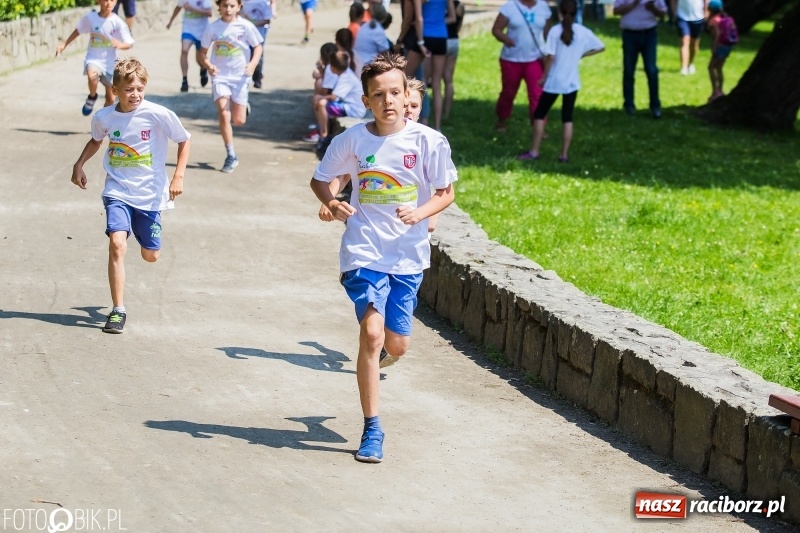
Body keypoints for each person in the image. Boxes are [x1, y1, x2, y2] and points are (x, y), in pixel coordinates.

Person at [311, 52, 457, 463]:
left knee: (398, 344)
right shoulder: (352, 140)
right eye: (379, 95)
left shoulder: (428, 142)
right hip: (363, 251)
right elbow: (321, 180)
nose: (388, 101)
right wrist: (332, 202)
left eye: (395, 92)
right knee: (372, 335)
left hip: (408, 256)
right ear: (366, 101)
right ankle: (372, 428)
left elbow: (446, 193)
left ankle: (383, 357)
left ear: (407, 94)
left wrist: (421, 213)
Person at [69, 58, 191, 334]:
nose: (135, 94)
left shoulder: (158, 114)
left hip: (149, 195)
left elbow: (184, 140)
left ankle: (138, 229)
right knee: (117, 245)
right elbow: (96, 140)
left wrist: (179, 176)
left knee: (151, 256)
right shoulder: (104, 117)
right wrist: (79, 164)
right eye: (128, 89)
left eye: (140, 88)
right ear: (115, 90)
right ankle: (118, 310)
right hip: (118, 190)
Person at [517, 0, 604, 162]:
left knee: (539, 114)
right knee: (567, 117)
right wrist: (581, 54)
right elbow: (600, 47)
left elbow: (550, 57)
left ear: (559, 12)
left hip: (554, 81)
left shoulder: (555, 31)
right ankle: (563, 155)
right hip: (572, 82)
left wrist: (544, 77)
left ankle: (534, 151)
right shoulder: (582, 31)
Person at [199, 0, 263, 173]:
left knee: (239, 121)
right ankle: (231, 155)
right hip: (220, 77)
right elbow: (202, 53)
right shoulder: (212, 28)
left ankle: (243, 107)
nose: (228, 9)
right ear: (219, 6)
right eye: (225, 5)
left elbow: (258, 47)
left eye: (232, 6)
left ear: (239, 7)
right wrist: (208, 65)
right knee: (223, 113)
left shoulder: (246, 26)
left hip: (240, 77)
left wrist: (253, 64)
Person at [55, 0, 135, 116]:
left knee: (111, 98)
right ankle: (92, 96)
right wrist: (64, 44)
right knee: (92, 77)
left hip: (110, 63)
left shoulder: (118, 22)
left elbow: (129, 43)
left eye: (112, 0)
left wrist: (120, 45)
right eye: (106, 0)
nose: (109, 3)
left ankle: (103, 119)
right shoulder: (91, 18)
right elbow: (78, 30)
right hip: (93, 58)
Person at [491, 0, 554, 132]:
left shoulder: (543, 7)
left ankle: (539, 126)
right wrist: (506, 39)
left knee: (536, 93)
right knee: (508, 92)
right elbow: (496, 29)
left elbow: (549, 34)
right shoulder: (510, 7)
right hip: (511, 59)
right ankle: (501, 120)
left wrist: (550, 51)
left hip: (535, 58)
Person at [613, 0, 667, 118]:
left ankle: (655, 106)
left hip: (649, 34)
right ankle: (629, 105)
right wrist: (633, 4)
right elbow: (616, 11)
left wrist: (653, 8)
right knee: (629, 70)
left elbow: (663, 13)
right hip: (630, 34)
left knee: (651, 70)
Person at [305, 51, 366, 148]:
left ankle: (323, 135)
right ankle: (323, 131)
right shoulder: (345, 73)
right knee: (321, 102)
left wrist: (320, 97)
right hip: (347, 105)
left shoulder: (346, 78)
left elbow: (334, 97)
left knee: (322, 104)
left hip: (353, 109)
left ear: (333, 67)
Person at [166, 0, 213, 92]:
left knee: (200, 58)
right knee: (184, 50)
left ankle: (203, 68)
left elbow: (209, 13)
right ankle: (184, 80)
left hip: (202, 31)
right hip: (188, 29)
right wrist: (170, 21)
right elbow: (178, 8)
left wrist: (193, 9)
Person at [707, 0, 737, 102]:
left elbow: (717, 34)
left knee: (711, 67)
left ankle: (715, 91)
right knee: (719, 68)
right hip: (728, 46)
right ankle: (720, 90)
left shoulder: (714, 21)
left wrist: (714, 47)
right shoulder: (728, 18)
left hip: (720, 46)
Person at [242, 0, 274, 88]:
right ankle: (245, 78)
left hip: (259, 34)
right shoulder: (242, 3)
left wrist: (252, 24)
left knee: (258, 56)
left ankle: (257, 78)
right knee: (246, 56)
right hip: (245, 35)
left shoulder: (263, 2)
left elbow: (267, 20)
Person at [353, 3, 391, 75]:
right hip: (366, 65)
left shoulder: (365, 25)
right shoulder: (378, 30)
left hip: (356, 61)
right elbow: (385, 52)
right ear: (384, 17)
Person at [443, 0, 465, 120]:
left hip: (442, 40)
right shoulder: (460, 6)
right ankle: (447, 112)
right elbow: (459, 26)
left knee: (435, 79)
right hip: (454, 41)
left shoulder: (441, 4)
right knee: (449, 80)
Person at [672, 0, 706, 75]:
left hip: (698, 17)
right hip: (682, 16)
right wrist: (674, 12)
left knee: (694, 44)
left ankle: (690, 64)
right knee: (684, 41)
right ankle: (683, 68)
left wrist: (706, 11)